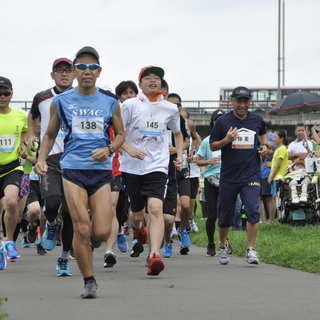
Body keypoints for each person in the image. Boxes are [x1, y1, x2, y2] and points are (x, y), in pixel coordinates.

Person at [35, 46, 125, 298]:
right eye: (82, 66)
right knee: (82, 228)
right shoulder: (61, 102)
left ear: (99, 71)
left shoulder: (110, 101)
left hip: (101, 172)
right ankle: (89, 281)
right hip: (72, 168)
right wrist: (41, 158)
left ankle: (89, 245)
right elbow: (50, 134)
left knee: (100, 232)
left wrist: (109, 150)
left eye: (92, 66)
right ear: (74, 72)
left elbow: (120, 135)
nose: (87, 71)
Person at [120, 65, 183, 276]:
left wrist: (180, 155)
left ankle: (154, 255)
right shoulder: (129, 105)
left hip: (157, 165)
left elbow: (178, 133)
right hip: (132, 166)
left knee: (155, 208)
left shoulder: (169, 108)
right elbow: (117, 134)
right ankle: (138, 228)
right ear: (140, 84)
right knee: (137, 214)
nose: (153, 80)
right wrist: (129, 150)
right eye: (148, 78)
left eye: (157, 78)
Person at [210, 86, 268, 265]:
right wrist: (227, 140)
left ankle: (250, 249)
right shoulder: (223, 121)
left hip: (251, 174)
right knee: (226, 215)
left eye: (246, 101)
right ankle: (222, 245)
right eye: (239, 101)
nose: (242, 105)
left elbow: (263, 133)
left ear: (250, 102)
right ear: (232, 102)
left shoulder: (257, 120)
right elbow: (213, 146)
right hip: (229, 176)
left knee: (252, 210)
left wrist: (264, 147)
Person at [28, 57, 75, 276]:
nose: (64, 74)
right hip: (50, 158)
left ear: (74, 74)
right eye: (59, 70)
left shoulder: (82, 96)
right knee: (53, 203)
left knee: (71, 212)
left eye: (68, 70)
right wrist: (30, 134)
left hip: (75, 159)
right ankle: (51, 223)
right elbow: (33, 116)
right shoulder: (42, 97)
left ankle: (64, 257)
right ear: (52, 75)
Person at [103, 80, 138, 267]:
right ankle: (108, 237)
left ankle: (110, 248)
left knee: (116, 209)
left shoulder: (123, 120)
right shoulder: (95, 117)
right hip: (93, 172)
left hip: (118, 170)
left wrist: (129, 151)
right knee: (105, 212)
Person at [0, 76, 28, 270]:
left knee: (11, 201)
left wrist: (23, 144)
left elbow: (25, 131)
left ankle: (9, 240)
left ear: (11, 95)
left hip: (12, 166)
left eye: (6, 93)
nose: (2, 96)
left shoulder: (20, 115)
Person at [197, 110, 224, 256]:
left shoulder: (231, 139)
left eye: (222, 119)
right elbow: (198, 161)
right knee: (212, 214)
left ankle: (224, 242)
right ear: (212, 122)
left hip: (227, 179)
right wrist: (209, 161)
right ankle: (211, 243)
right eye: (216, 119)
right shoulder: (207, 141)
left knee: (225, 213)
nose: (219, 122)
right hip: (210, 179)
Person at [267, 129, 289, 204]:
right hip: (275, 176)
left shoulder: (282, 149)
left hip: (278, 177)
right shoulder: (278, 149)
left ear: (282, 138)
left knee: (277, 198)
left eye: (275, 137)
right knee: (275, 197)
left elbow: (278, 165)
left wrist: (271, 176)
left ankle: (280, 215)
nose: (273, 139)